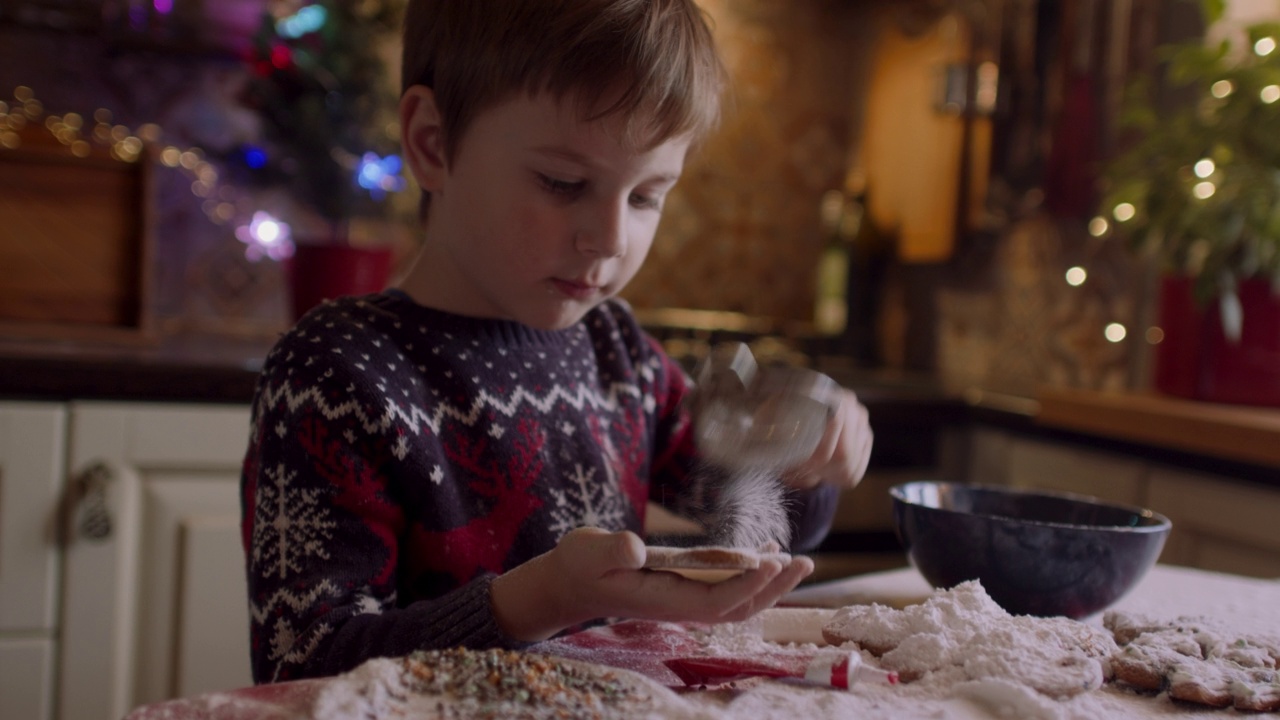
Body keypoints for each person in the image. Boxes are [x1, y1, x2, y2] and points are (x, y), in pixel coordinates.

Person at [240, 0, 874, 684]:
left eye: (646, 196)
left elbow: (756, 519)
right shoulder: (335, 375)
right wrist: (546, 599)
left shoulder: (618, 353)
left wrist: (805, 446)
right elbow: (301, 666)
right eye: (563, 183)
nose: (608, 239)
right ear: (432, 143)